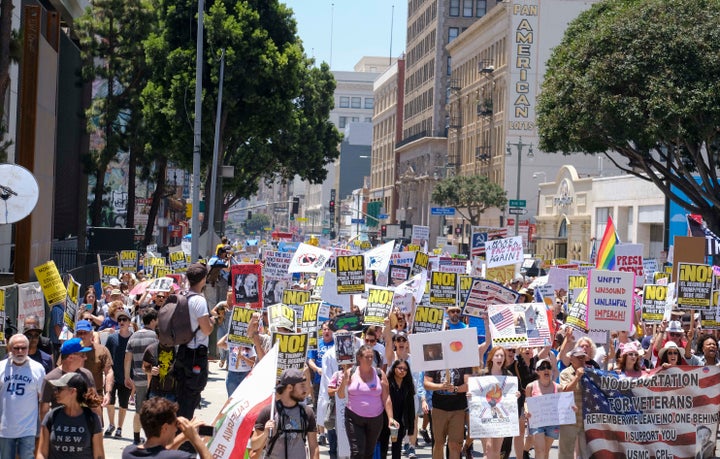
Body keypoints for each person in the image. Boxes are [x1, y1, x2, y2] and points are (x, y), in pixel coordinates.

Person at [338, 345, 396, 459]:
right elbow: (340, 395)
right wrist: (344, 382)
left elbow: (386, 397)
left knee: (369, 453)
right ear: (359, 358)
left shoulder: (380, 374)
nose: (370, 360)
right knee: (357, 452)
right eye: (367, 357)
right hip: (354, 417)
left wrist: (391, 418)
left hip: (375, 418)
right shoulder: (350, 373)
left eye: (372, 357)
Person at [175, 262, 216, 419]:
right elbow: (206, 330)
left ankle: (178, 435)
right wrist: (212, 322)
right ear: (203, 279)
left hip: (181, 350)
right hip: (194, 355)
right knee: (190, 398)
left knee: (182, 396)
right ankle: (183, 438)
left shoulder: (182, 296)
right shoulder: (198, 300)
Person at [250, 369, 320, 459]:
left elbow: (313, 446)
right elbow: (254, 446)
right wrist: (265, 433)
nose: (305, 390)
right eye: (302, 386)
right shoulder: (269, 412)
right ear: (290, 387)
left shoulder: (307, 412)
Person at [37, 372, 104, 459]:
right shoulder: (52, 416)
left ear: (73, 391)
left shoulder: (92, 419)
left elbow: (99, 455)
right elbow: (41, 453)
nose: (55, 392)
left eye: (59, 389)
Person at [0, 334, 46, 459]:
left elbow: (43, 399)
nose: (20, 351)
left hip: (28, 430)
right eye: (16, 348)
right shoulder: (1, 368)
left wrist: (42, 425)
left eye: (23, 348)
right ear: (10, 348)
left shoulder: (38, 368)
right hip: (4, 429)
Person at [121, 397, 212, 459]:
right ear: (165, 428)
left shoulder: (128, 453)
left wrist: (183, 437)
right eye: (175, 424)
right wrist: (194, 437)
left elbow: (158, 453)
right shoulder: (179, 457)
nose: (176, 429)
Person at [423, 358, 471, 459]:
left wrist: (455, 388)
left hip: (458, 409)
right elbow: (426, 383)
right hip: (439, 408)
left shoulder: (465, 360)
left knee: (455, 445)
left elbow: (468, 384)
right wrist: (441, 386)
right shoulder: (434, 360)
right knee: (439, 443)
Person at [39, 338, 96, 421]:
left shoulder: (87, 375)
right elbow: (44, 410)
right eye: (82, 355)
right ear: (70, 357)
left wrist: (97, 429)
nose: (86, 358)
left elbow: (94, 405)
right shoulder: (50, 379)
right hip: (60, 429)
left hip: (84, 429)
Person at [125, 309, 159, 445]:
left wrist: (127, 377)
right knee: (154, 409)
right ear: (152, 321)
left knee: (138, 410)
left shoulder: (133, 337)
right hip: (153, 377)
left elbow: (127, 359)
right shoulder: (155, 336)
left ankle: (136, 438)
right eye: (156, 320)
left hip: (138, 378)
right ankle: (153, 437)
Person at [104, 309, 134, 438]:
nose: (121, 322)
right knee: (110, 401)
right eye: (119, 320)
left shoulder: (133, 338)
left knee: (123, 403)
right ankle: (111, 424)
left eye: (124, 320)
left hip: (127, 376)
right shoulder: (112, 338)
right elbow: (106, 355)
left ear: (129, 323)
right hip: (113, 375)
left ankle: (120, 428)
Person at [524, 359, 563, 459]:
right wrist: (526, 410)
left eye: (548, 367)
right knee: (540, 450)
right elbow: (526, 402)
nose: (546, 370)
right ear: (537, 371)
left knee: (546, 451)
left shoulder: (558, 387)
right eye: (543, 368)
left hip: (552, 422)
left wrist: (570, 408)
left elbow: (562, 405)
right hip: (537, 422)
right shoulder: (531, 386)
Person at [73, 319, 114, 407]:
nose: (82, 336)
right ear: (76, 335)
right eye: (80, 333)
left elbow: (109, 372)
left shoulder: (102, 350)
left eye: (85, 333)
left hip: (94, 395)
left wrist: (108, 393)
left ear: (91, 334)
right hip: (74, 395)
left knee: (96, 420)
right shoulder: (70, 350)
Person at [559, 346, 589, 459]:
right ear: (571, 359)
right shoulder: (565, 373)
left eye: (583, 357)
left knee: (585, 453)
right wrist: (577, 376)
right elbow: (565, 390)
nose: (581, 360)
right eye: (578, 357)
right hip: (569, 419)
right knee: (566, 453)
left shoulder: (590, 373)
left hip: (585, 419)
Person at [387, 359, 416, 459]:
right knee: (383, 447)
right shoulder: (387, 383)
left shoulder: (408, 386)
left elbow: (411, 408)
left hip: (400, 421)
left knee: (397, 448)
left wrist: (411, 427)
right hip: (386, 419)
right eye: (400, 368)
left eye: (405, 369)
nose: (402, 371)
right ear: (394, 368)